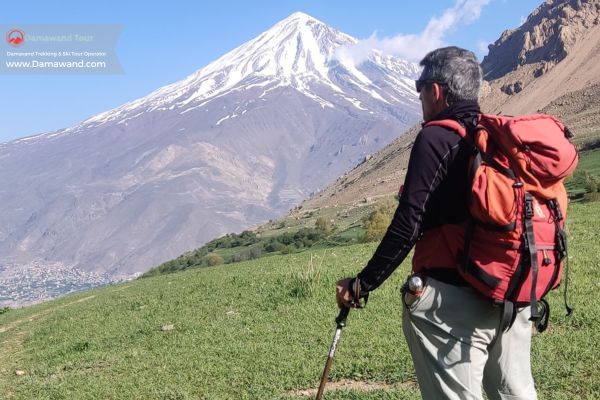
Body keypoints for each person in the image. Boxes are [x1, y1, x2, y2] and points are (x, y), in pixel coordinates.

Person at [335, 46, 538, 400]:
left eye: (420, 88)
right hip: (512, 295)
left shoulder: (436, 137)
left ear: (436, 91)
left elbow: (408, 223)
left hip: (452, 305)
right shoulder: (493, 139)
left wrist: (361, 284)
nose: (419, 96)